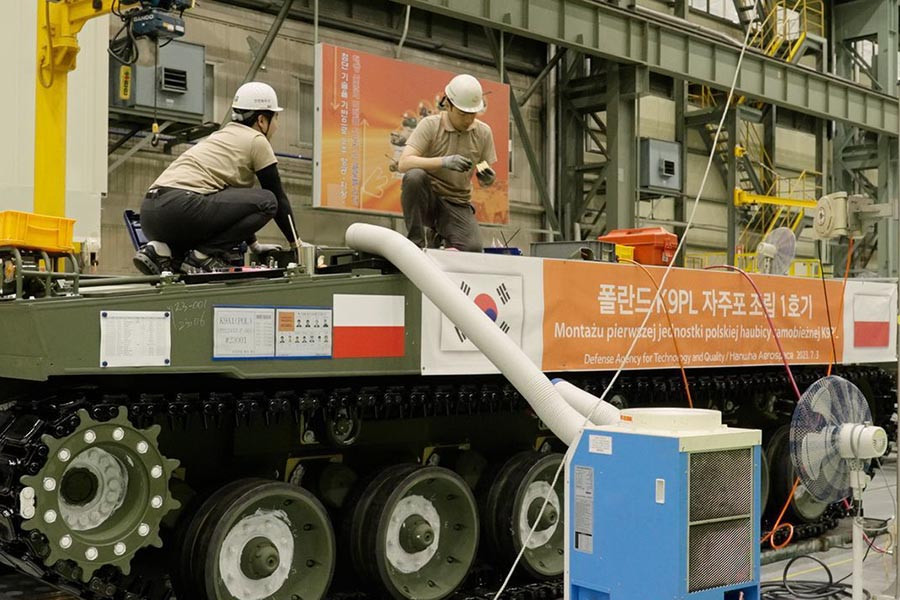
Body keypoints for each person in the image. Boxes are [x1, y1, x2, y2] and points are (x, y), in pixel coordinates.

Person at [133, 81, 299, 274]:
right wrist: (296, 245)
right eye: (276, 118)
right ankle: (204, 256)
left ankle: (161, 251)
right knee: (268, 201)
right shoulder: (257, 140)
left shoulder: (219, 137)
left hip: (150, 215)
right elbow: (278, 197)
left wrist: (254, 246)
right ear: (262, 120)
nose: (277, 126)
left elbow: (233, 207)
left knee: (186, 254)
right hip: (181, 208)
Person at [398, 73, 497, 252]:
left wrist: (486, 175)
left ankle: (439, 236)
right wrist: (443, 162)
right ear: (448, 105)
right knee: (414, 177)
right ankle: (415, 243)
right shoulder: (430, 125)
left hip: (457, 202)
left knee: (472, 249)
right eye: (462, 114)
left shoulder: (483, 133)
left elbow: (481, 164)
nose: (468, 120)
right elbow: (404, 163)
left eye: (472, 114)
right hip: (428, 197)